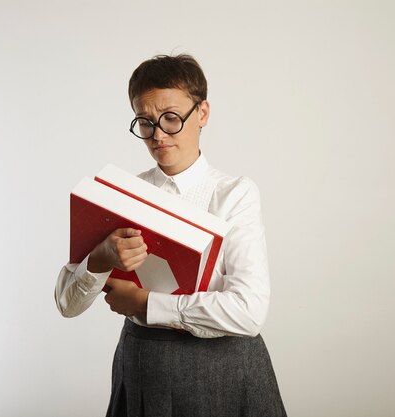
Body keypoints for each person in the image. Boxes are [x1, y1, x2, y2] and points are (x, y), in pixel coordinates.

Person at [55, 54, 287, 417]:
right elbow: (67, 305)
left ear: (203, 113)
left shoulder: (234, 194)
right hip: (142, 363)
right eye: (145, 122)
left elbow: (249, 311)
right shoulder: (122, 197)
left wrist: (145, 304)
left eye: (171, 119)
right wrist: (99, 258)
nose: (158, 135)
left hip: (223, 369)